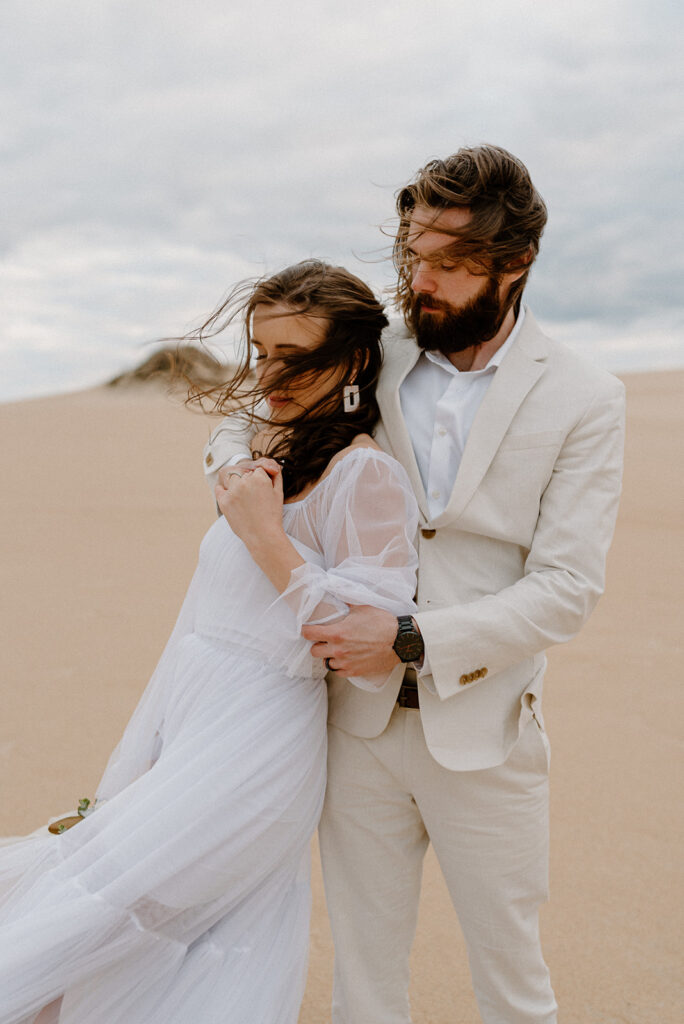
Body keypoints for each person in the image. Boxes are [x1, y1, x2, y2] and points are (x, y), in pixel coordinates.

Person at [204, 146, 626, 1024]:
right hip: (350, 727)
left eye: (446, 261)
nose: (417, 279)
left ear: (514, 264)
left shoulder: (586, 397)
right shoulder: (375, 353)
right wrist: (238, 479)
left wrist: (412, 639)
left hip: (488, 733)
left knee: (513, 983)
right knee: (364, 979)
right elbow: (249, 419)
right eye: (410, 254)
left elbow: (566, 588)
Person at [0, 261, 419, 1024]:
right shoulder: (266, 451)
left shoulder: (368, 478)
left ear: (356, 361)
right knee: (99, 917)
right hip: (188, 719)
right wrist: (146, 750)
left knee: (103, 917)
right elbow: (200, 623)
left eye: (297, 357)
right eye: (262, 352)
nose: (272, 375)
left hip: (257, 747)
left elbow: (359, 642)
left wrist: (267, 538)